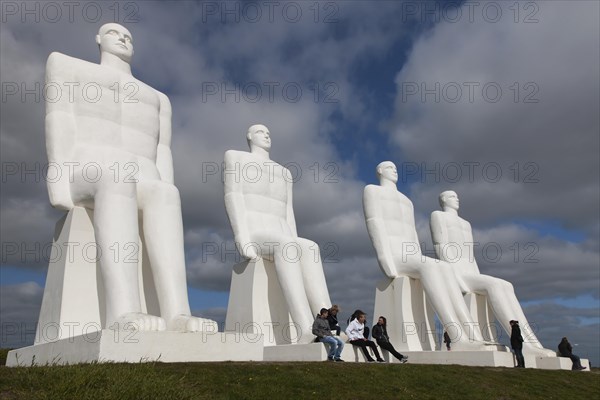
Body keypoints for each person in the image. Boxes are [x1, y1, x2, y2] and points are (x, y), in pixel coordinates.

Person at [45, 23, 216, 332]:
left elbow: (162, 150)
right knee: (117, 176)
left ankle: (178, 312)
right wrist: (56, 176)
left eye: (128, 36)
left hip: (141, 177)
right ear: (98, 39)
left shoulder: (157, 98)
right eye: (114, 33)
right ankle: (123, 311)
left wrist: (166, 183)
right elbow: (58, 118)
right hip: (88, 170)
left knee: (166, 194)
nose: (123, 38)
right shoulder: (68, 67)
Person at [224, 124, 332, 343]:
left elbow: (288, 211)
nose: (266, 135)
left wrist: (294, 239)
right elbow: (232, 195)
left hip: (281, 234)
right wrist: (240, 236)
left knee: (310, 247)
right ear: (249, 136)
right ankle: (304, 327)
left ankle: (329, 324)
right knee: (286, 245)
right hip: (256, 233)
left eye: (268, 133)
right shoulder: (236, 158)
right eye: (260, 132)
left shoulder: (284, 172)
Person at [363, 162, 486, 349]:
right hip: (395, 255)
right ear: (379, 170)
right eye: (389, 167)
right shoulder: (372, 191)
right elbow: (374, 222)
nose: (394, 170)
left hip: (411, 256)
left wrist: (419, 259)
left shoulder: (407, 201)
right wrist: (384, 257)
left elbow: (412, 233)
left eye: (395, 167)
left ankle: (472, 334)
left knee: (444, 266)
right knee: (431, 266)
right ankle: (456, 336)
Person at [430, 190, 554, 357]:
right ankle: (522, 343)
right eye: (452, 196)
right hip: (456, 271)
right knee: (495, 284)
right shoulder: (438, 216)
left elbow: (470, 254)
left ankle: (530, 342)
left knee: (506, 285)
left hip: (470, 271)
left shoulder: (466, 224)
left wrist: (477, 274)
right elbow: (440, 245)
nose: (457, 199)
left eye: (457, 196)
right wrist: (455, 276)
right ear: (443, 200)